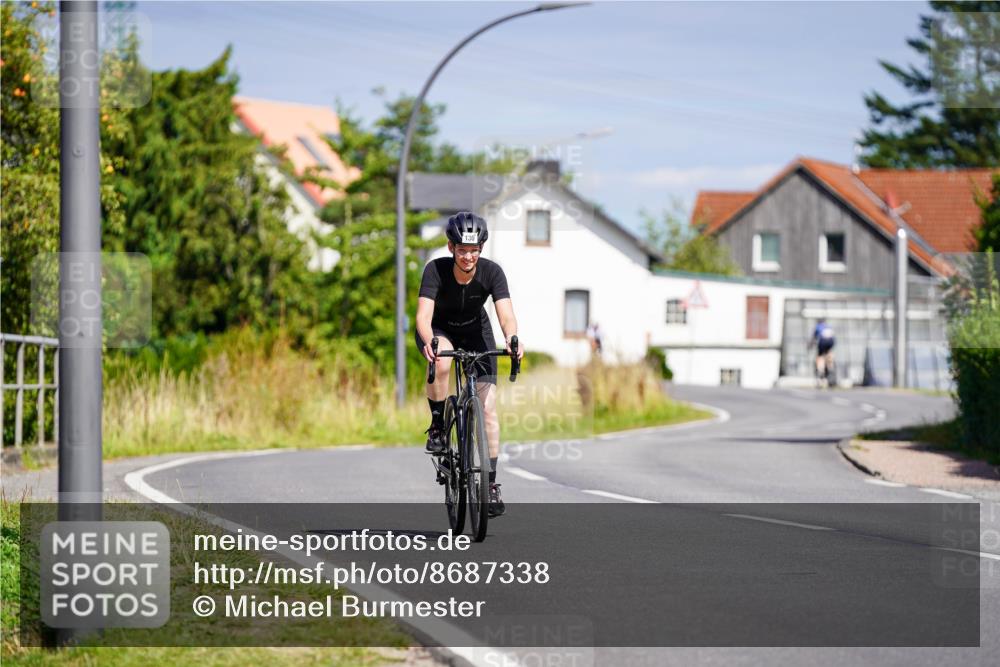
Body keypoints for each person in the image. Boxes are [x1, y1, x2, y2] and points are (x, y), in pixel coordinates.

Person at [415, 211, 524, 517]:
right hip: (440, 330)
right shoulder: (435, 270)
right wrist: (430, 342)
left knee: (488, 410)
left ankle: (490, 484)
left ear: (481, 249)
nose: (468, 257)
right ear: (451, 247)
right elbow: (423, 316)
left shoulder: (492, 272)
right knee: (443, 361)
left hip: (477, 332)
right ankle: (438, 424)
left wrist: (512, 339)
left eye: (474, 250)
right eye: (462, 250)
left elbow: (506, 315)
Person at [810, 318, 836, 384]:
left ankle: (820, 370)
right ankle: (830, 366)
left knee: (820, 356)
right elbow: (833, 337)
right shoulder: (828, 326)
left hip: (823, 341)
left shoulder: (818, 326)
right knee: (828, 353)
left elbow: (814, 337)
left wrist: (810, 345)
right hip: (831, 341)